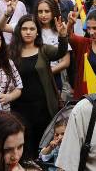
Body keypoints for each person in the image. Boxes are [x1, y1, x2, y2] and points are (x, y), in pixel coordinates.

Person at [9, 14, 69, 159]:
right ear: (19, 31)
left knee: (42, 142)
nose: (28, 32)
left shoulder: (44, 49)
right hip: (19, 107)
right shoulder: (11, 51)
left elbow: (61, 52)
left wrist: (63, 36)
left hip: (43, 106)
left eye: (31, 28)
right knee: (24, 141)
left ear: (37, 32)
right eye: (24, 29)